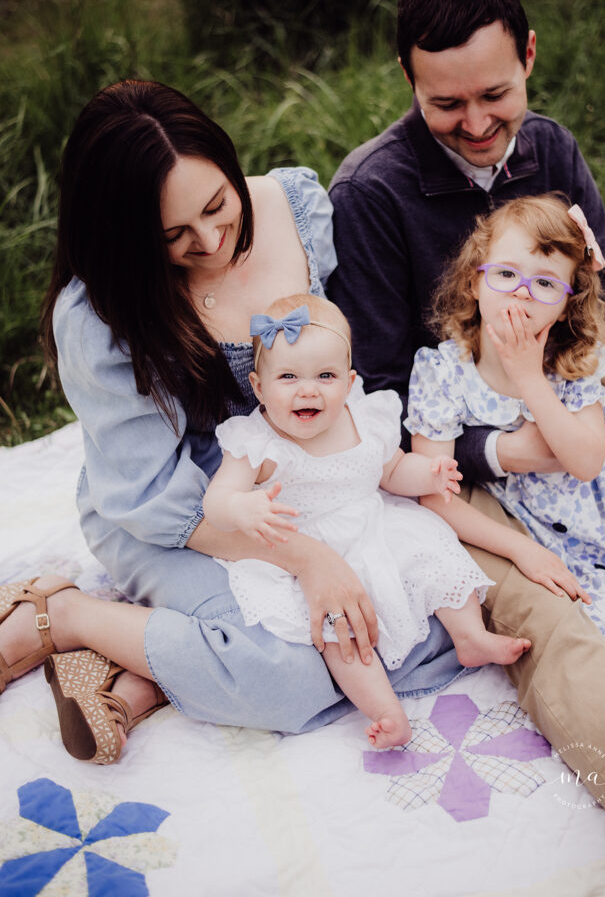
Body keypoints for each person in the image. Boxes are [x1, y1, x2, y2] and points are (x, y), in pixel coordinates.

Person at [0, 79, 482, 769]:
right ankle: (66, 615)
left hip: (310, 489)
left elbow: (339, 365)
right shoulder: (98, 314)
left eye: (219, 206)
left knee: (420, 613)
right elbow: (151, 496)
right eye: (174, 237)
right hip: (179, 514)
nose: (213, 240)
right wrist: (311, 561)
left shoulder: (298, 208)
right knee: (291, 672)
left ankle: (146, 672)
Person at [328, 0, 605, 873]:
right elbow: (389, 403)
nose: (476, 125)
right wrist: (510, 448)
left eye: (494, 94)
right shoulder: (370, 194)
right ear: (410, 81)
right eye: (446, 105)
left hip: (575, 392)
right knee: (551, 623)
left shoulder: (550, 148)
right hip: (461, 461)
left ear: (528, 55)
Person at [203, 293, 564, 747]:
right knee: (340, 631)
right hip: (309, 551)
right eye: (289, 377)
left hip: (375, 523)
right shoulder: (256, 442)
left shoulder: (362, 418)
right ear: (258, 387)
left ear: (350, 381)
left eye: (326, 376)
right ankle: (385, 710)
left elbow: (391, 470)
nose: (308, 389)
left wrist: (429, 472)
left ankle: (470, 635)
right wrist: (242, 508)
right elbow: (216, 502)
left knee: (434, 551)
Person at [405, 193, 605, 656]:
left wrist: (529, 377)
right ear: (473, 283)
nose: (522, 292)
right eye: (505, 274)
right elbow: (433, 493)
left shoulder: (574, 360)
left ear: (567, 305)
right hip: (540, 524)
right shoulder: (442, 371)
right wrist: (520, 550)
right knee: (592, 611)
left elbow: (586, 463)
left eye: (546, 284)